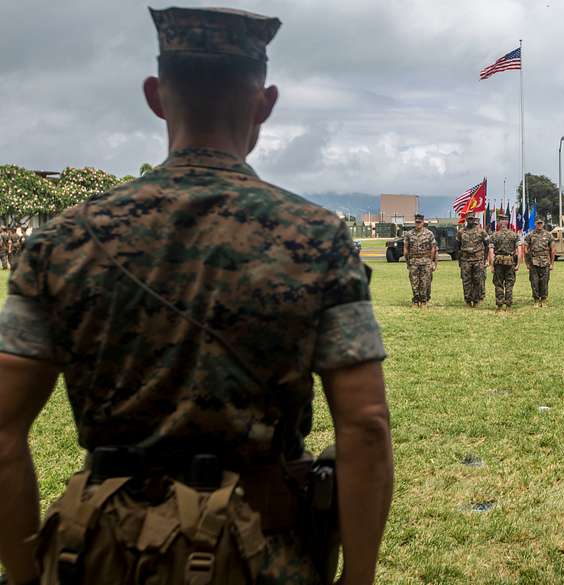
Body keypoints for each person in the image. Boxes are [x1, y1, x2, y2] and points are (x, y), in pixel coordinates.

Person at [0, 7, 394, 585]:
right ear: (265, 103)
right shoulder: (317, 239)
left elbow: (4, 428)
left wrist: (22, 571)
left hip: (102, 556)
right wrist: (358, 576)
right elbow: (365, 425)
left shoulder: (64, 240)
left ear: (157, 96)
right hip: (263, 555)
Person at [488, 212, 521, 310]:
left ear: (498, 222)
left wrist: (492, 265)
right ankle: (509, 305)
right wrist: (518, 264)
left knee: (498, 284)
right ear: (507, 222)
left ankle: (499, 305)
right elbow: (519, 250)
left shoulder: (494, 235)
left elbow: (491, 251)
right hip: (510, 262)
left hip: (498, 263)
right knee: (509, 284)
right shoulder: (514, 235)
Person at [404, 213, 437, 307]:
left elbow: (433, 248)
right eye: (416, 222)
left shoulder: (429, 233)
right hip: (413, 261)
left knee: (424, 281)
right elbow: (406, 248)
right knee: (414, 282)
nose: (418, 224)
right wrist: (407, 262)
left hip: (425, 261)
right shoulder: (409, 234)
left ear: (423, 222)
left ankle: (423, 301)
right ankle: (415, 300)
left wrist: (431, 261)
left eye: (420, 222)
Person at [456, 214, 488, 307]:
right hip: (465, 260)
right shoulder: (461, 232)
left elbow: (487, 245)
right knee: (466, 281)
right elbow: (457, 246)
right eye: (468, 219)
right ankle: (468, 300)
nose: (470, 221)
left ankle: (476, 300)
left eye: (472, 219)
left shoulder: (481, 232)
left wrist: (484, 259)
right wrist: (460, 260)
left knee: (478, 280)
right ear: (466, 219)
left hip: (478, 260)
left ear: (474, 219)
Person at [522, 218, 555, 307]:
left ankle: (543, 300)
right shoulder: (530, 235)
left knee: (544, 281)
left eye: (541, 223)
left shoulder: (549, 235)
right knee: (534, 282)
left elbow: (552, 250)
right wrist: (527, 262)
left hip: (545, 261)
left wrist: (552, 263)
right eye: (538, 223)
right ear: (535, 224)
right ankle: (536, 300)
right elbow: (525, 249)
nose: (539, 225)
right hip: (534, 262)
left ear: (543, 224)